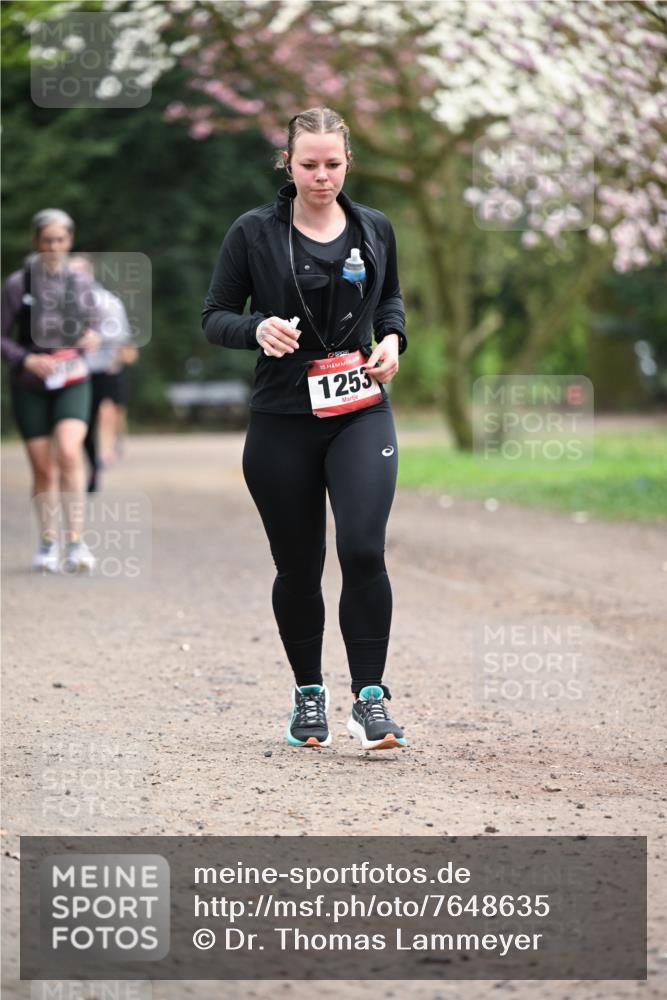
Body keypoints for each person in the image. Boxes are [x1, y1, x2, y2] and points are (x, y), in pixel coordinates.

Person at [203, 107, 409, 751]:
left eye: (333, 164)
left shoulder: (374, 227)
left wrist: (395, 340)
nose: (322, 176)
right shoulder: (254, 232)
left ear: (349, 162)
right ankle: (309, 696)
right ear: (287, 165)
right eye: (309, 164)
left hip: (360, 411)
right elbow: (214, 315)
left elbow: (391, 303)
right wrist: (256, 328)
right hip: (282, 419)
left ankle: (370, 700)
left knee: (363, 550)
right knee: (299, 567)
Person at [1, 209, 100, 573]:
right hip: (30, 384)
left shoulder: (81, 284)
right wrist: (25, 360)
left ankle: (75, 542)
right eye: (48, 241)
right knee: (43, 468)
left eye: (60, 240)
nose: (54, 247)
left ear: (69, 242)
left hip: (73, 379)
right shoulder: (18, 285)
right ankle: (47, 542)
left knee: (70, 453)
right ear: (36, 242)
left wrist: (93, 337)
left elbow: (96, 326)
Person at [68, 254, 133, 493]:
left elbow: (120, 335)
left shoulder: (107, 302)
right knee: (80, 423)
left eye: (80, 271)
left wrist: (92, 340)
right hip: (70, 371)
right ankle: (89, 464)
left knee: (105, 414)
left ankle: (105, 455)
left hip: (101, 370)